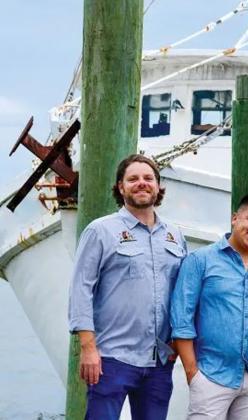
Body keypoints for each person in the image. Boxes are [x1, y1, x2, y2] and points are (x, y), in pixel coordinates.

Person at [68, 154, 187, 420]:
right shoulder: (100, 231)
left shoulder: (176, 235)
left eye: (148, 178)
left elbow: (184, 295)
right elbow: (80, 290)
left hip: (159, 362)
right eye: (133, 179)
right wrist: (88, 348)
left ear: (158, 185)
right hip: (110, 359)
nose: (141, 183)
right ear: (121, 187)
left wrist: (179, 344)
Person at [170, 193, 248, 420]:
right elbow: (181, 320)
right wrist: (193, 373)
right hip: (211, 376)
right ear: (234, 218)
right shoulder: (201, 260)